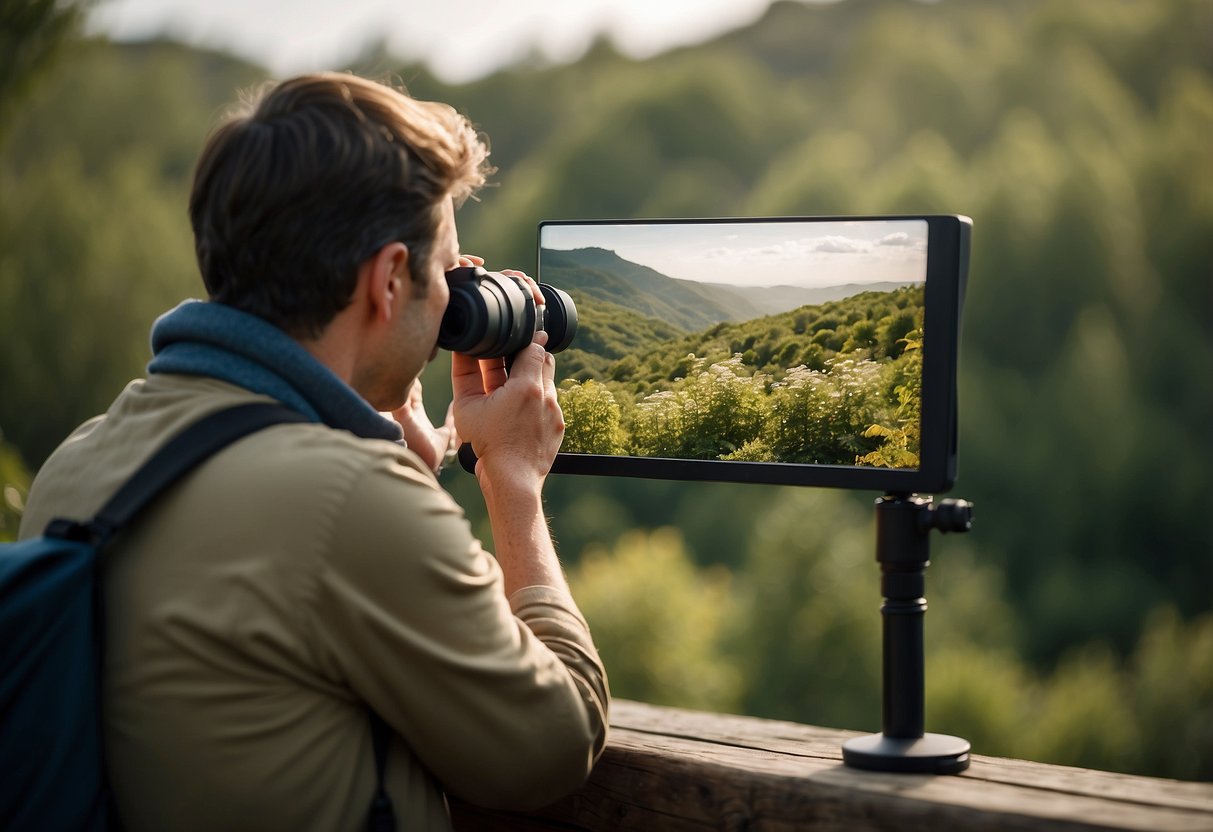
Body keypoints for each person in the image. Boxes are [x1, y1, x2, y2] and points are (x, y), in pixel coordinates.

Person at [18, 72, 609, 831]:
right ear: (390, 278)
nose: (448, 302)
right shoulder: (348, 503)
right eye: (442, 269)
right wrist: (513, 482)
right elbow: (553, 746)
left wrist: (396, 471)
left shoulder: (84, 457)